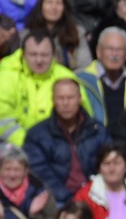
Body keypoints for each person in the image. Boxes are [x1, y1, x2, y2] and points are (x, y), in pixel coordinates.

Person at [24, 77, 111, 206]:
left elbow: (110, 164)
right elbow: (40, 173)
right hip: (58, 200)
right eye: (61, 98)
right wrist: (70, 199)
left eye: (70, 98)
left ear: (80, 99)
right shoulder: (37, 135)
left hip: (97, 195)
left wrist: (92, 193)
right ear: (53, 100)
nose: (66, 103)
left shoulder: (97, 130)